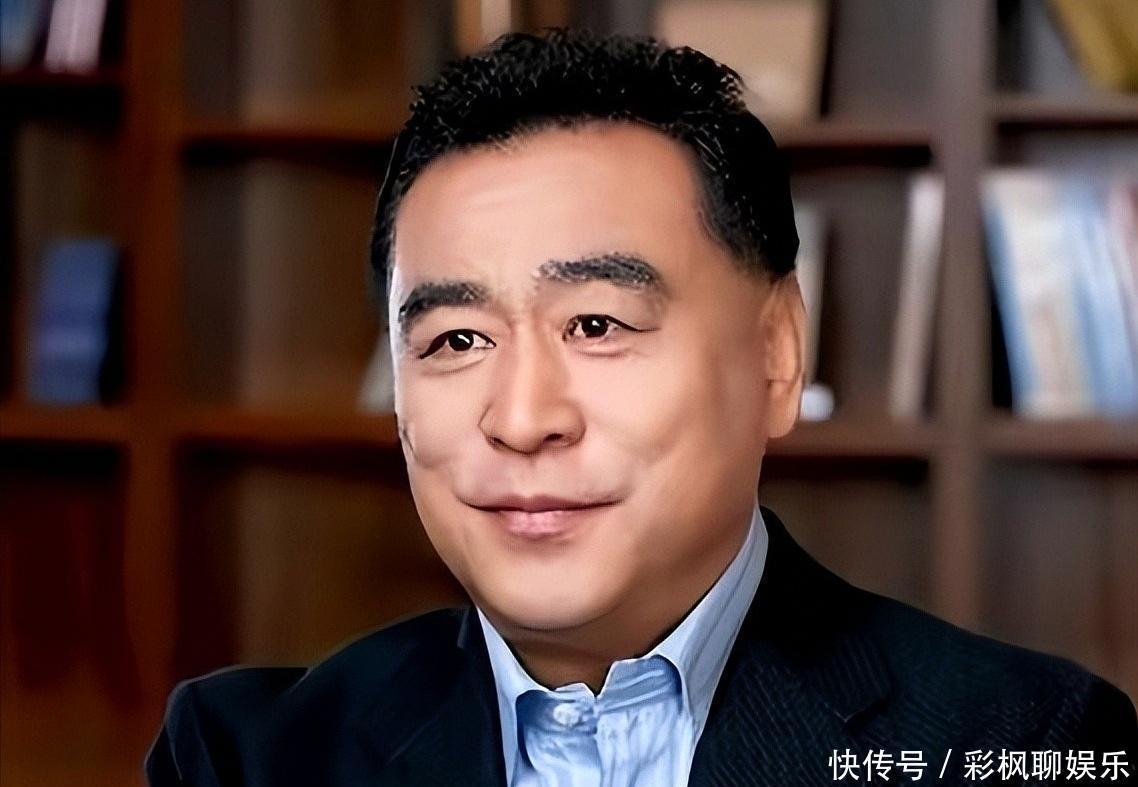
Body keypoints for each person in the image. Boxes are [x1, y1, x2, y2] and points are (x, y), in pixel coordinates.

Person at [146, 29, 1137, 787]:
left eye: (596, 324)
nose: (522, 418)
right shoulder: (247, 755)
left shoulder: (1015, 740)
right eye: (456, 340)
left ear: (776, 355)